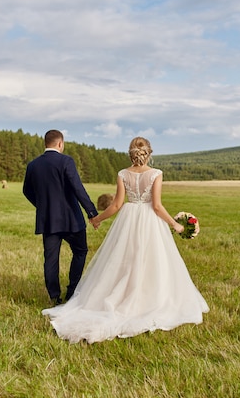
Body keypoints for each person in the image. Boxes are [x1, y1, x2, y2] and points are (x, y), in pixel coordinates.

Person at [42, 137, 209, 343]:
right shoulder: (156, 174)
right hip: (149, 220)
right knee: (152, 260)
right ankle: (148, 299)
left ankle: (122, 295)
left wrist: (98, 219)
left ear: (131, 153)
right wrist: (174, 224)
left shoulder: (123, 174)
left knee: (124, 259)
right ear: (149, 153)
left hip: (128, 219)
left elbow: (116, 205)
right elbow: (156, 206)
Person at [23, 129, 98, 306]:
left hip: (48, 221)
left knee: (51, 258)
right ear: (60, 144)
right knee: (80, 251)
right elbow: (78, 188)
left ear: (45, 143)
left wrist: (42, 206)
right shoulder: (66, 161)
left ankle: (54, 297)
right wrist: (92, 213)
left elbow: (26, 191)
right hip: (72, 219)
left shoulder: (33, 165)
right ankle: (72, 291)